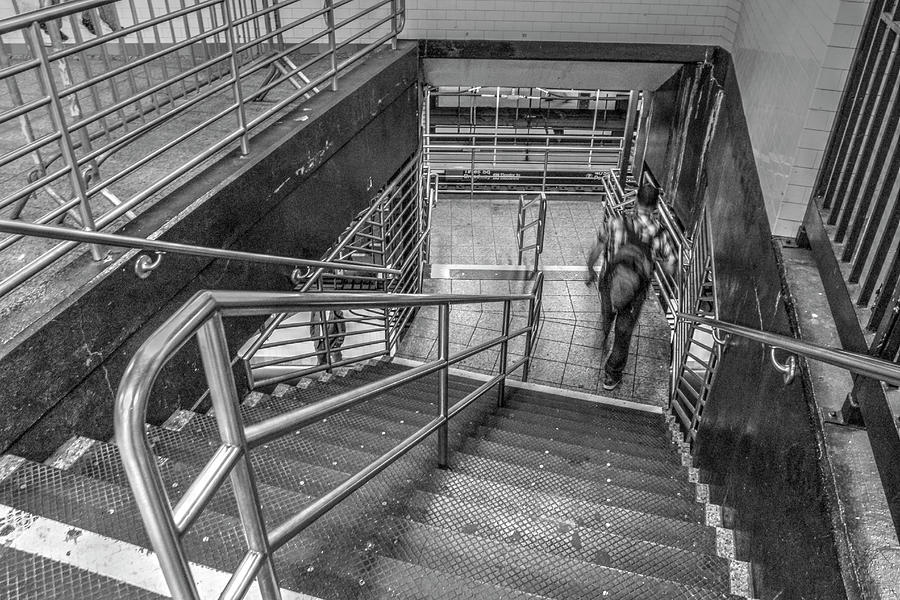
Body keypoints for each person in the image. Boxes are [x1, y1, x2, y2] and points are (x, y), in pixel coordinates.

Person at [586, 183, 677, 391]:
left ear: (635, 201)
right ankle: (612, 375)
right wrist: (654, 261)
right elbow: (671, 267)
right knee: (624, 332)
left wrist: (590, 269)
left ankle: (604, 331)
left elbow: (597, 247)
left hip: (609, 280)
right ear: (656, 207)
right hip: (636, 290)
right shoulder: (660, 233)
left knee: (607, 312)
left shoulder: (616, 222)